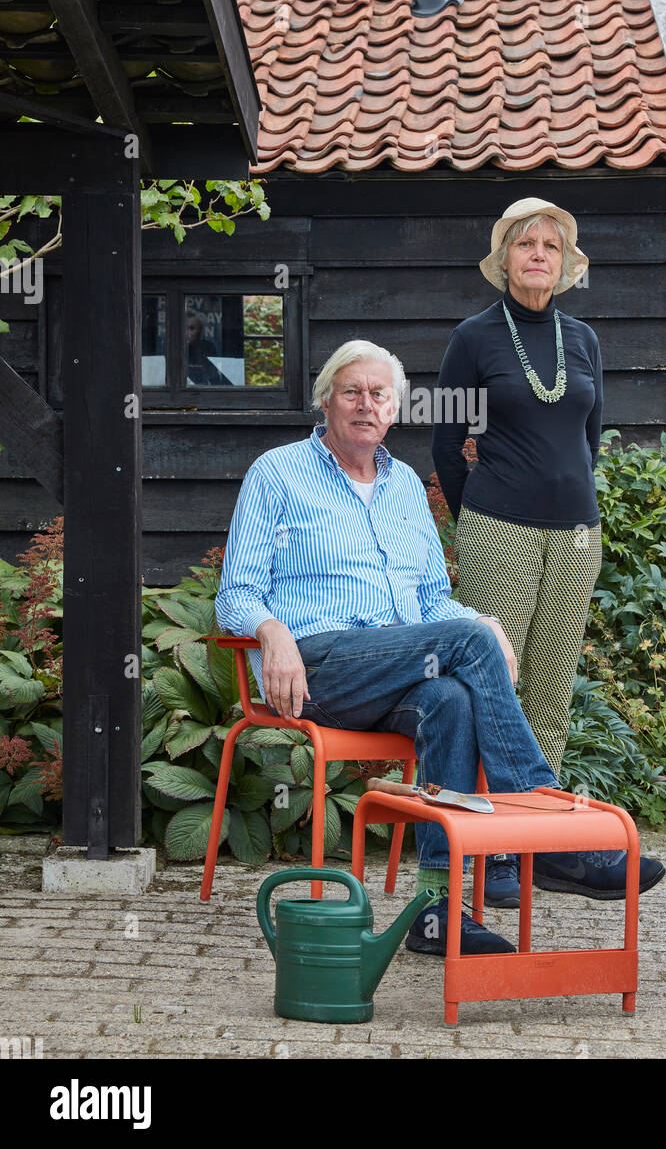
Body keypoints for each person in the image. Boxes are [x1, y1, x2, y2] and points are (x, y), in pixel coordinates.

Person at [215, 339, 569, 957]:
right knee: (468, 641)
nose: (365, 404)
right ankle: (536, 820)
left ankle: (437, 913)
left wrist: (480, 622)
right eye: (351, 391)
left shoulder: (405, 484)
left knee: (450, 699)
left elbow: (433, 601)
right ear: (326, 401)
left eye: (379, 394)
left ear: (395, 409)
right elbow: (237, 592)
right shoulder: (277, 473)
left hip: (396, 675)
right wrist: (271, 632)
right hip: (315, 669)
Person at [432, 197, 665, 908]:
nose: (538, 253)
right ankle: (490, 852)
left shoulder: (584, 340)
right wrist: (485, 511)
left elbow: (589, 441)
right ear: (503, 259)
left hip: (577, 533)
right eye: (525, 243)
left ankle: (533, 841)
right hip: (498, 528)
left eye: (551, 245)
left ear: (565, 264)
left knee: (551, 692)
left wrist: (567, 502)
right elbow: (446, 442)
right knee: (490, 686)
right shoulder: (473, 338)